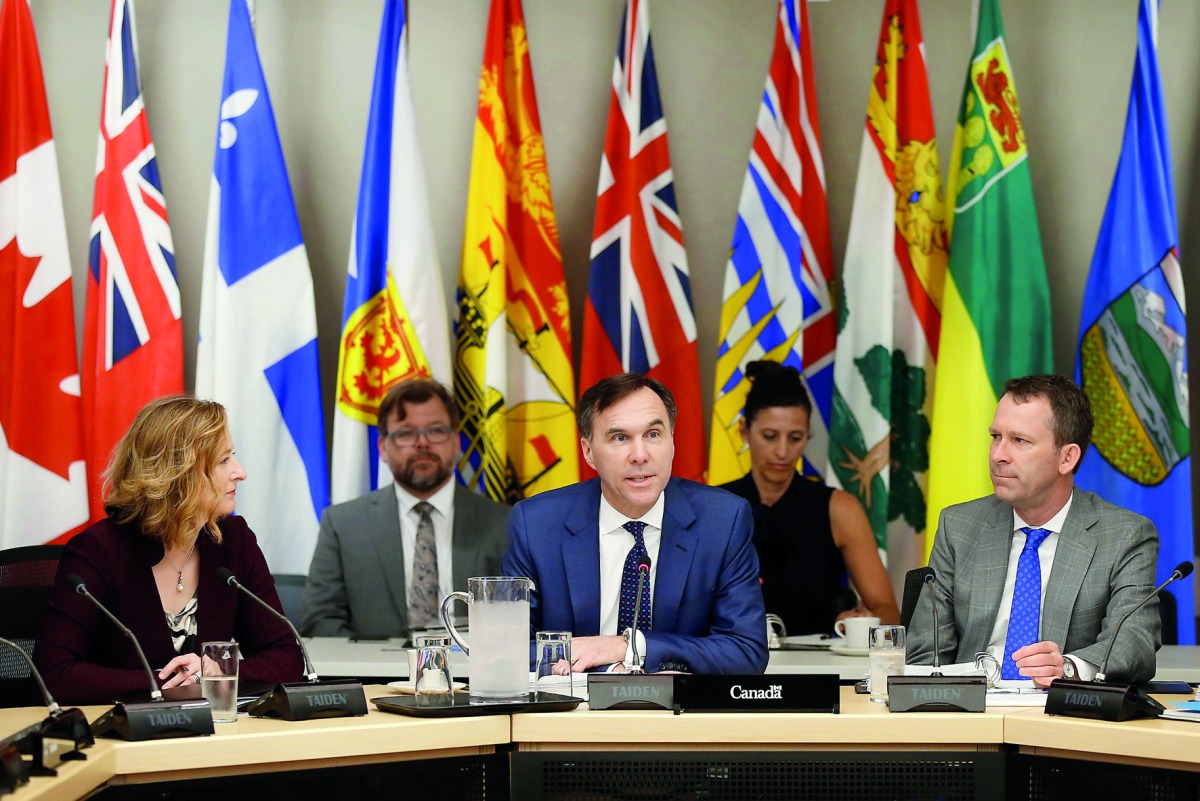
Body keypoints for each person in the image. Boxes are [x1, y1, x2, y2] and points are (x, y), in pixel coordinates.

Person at [35, 397, 303, 705]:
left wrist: (214, 673)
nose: (240, 472)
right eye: (223, 460)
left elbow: (287, 658)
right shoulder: (98, 552)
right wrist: (163, 685)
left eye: (234, 457)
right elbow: (55, 675)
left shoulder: (232, 541)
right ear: (178, 473)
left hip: (212, 735)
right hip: (121, 740)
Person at [502, 373, 767, 674]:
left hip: (679, 716)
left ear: (672, 440)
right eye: (620, 438)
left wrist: (626, 647)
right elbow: (505, 651)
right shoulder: (537, 524)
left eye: (653, 435)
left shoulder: (723, 521)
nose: (640, 455)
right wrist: (607, 672)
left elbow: (746, 651)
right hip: (574, 715)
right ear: (589, 452)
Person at [907, 374, 1160, 685]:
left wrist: (1066, 669)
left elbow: (1135, 642)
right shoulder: (960, 526)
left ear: (1067, 457)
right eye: (995, 437)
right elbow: (923, 655)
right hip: (970, 715)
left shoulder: (1124, 535)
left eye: (1019, 441)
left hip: (1065, 717)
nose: (998, 455)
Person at [302, 378, 509, 640]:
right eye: (406, 433)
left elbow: (519, 620)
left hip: (473, 673)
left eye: (436, 430)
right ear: (383, 448)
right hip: (375, 675)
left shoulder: (503, 523)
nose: (422, 443)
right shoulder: (343, 524)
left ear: (456, 442)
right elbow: (320, 621)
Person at [719, 361, 899, 634]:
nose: (782, 451)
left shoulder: (839, 508)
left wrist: (860, 620)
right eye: (770, 436)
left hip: (820, 666)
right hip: (732, 664)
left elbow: (887, 611)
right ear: (744, 431)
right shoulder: (715, 505)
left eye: (795, 438)